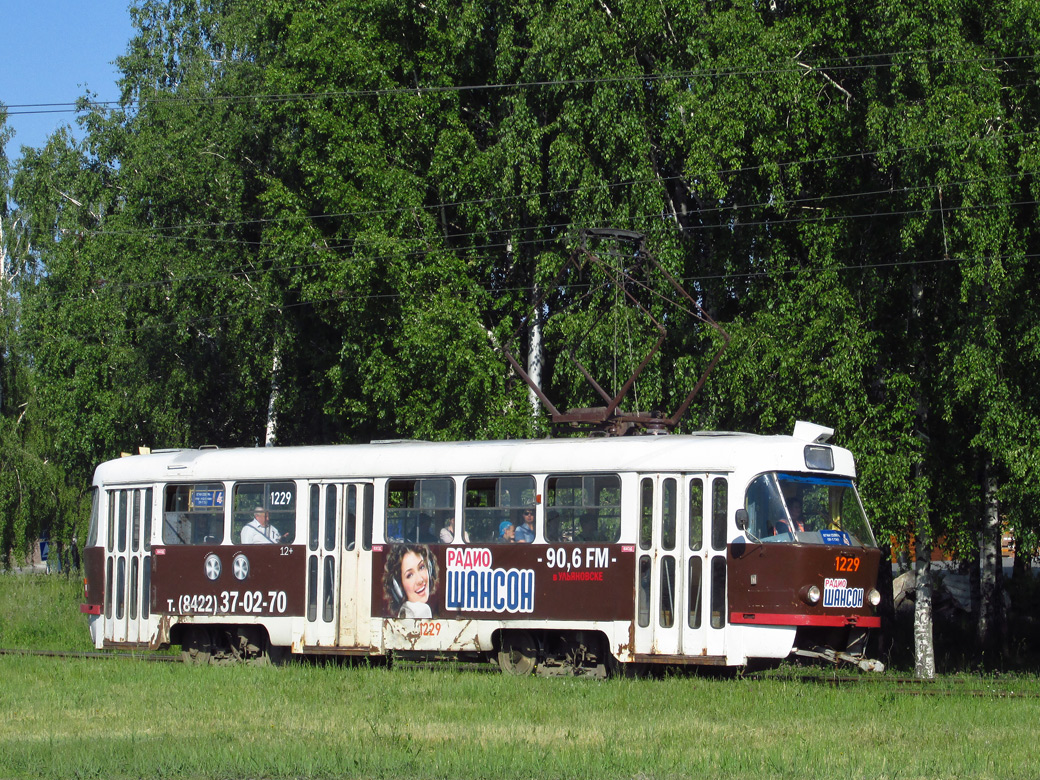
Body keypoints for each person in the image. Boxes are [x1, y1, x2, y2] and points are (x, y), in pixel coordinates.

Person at [383, 544, 437, 618]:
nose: (420, 580)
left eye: (421, 567)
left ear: (429, 568)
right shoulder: (423, 611)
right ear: (399, 587)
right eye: (409, 575)